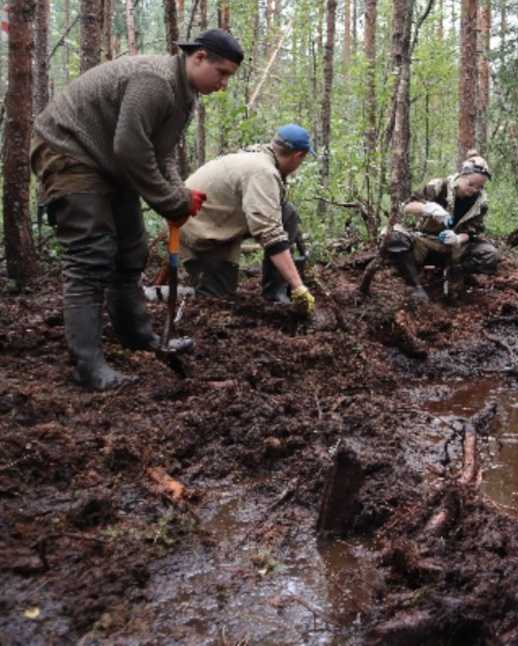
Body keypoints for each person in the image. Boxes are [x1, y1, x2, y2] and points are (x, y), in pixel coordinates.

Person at [30, 28, 243, 390]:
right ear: (199, 57)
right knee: (90, 259)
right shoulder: (156, 81)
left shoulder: (184, 97)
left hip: (108, 163)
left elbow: (161, 154)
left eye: (229, 77)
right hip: (68, 150)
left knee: (131, 251)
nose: (223, 84)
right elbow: (130, 148)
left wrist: (178, 195)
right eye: (221, 73)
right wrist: (172, 201)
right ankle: (88, 367)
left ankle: (137, 336)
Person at [179, 124, 314, 316]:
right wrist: (298, 286)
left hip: (215, 219)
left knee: (286, 213)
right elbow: (269, 232)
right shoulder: (263, 171)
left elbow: (271, 216)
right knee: (217, 306)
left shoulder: (259, 155)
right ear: (298, 155)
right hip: (199, 234)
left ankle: (276, 296)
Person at [383, 152, 499, 302]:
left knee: (489, 254)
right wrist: (428, 208)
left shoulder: (480, 203)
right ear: (462, 175)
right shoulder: (439, 186)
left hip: (453, 249)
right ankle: (414, 286)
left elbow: (473, 231)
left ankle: (455, 274)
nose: (474, 190)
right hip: (425, 242)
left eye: (480, 187)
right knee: (393, 237)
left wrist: (458, 238)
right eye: (471, 184)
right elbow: (407, 206)